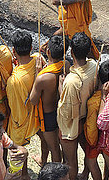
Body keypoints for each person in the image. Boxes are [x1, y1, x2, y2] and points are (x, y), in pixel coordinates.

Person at [57, 32, 97, 180]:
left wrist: (61, 87)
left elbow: (67, 111)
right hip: (87, 119)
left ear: (71, 51)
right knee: (87, 151)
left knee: (70, 162)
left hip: (73, 123)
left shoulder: (71, 81)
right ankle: (85, 175)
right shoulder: (94, 66)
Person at [5, 31, 41, 177]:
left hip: (21, 119)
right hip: (38, 114)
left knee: (18, 149)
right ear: (31, 47)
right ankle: (42, 161)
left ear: (13, 51)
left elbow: (14, 107)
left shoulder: (13, 81)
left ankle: (24, 174)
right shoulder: (38, 59)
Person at [29, 36, 65, 165]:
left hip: (48, 116)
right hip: (59, 112)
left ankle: (57, 173)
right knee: (55, 144)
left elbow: (33, 100)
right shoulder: (66, 65)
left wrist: (37, 74)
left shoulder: (43, 78)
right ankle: (43, 161)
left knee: (54, 147)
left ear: (48, 52)